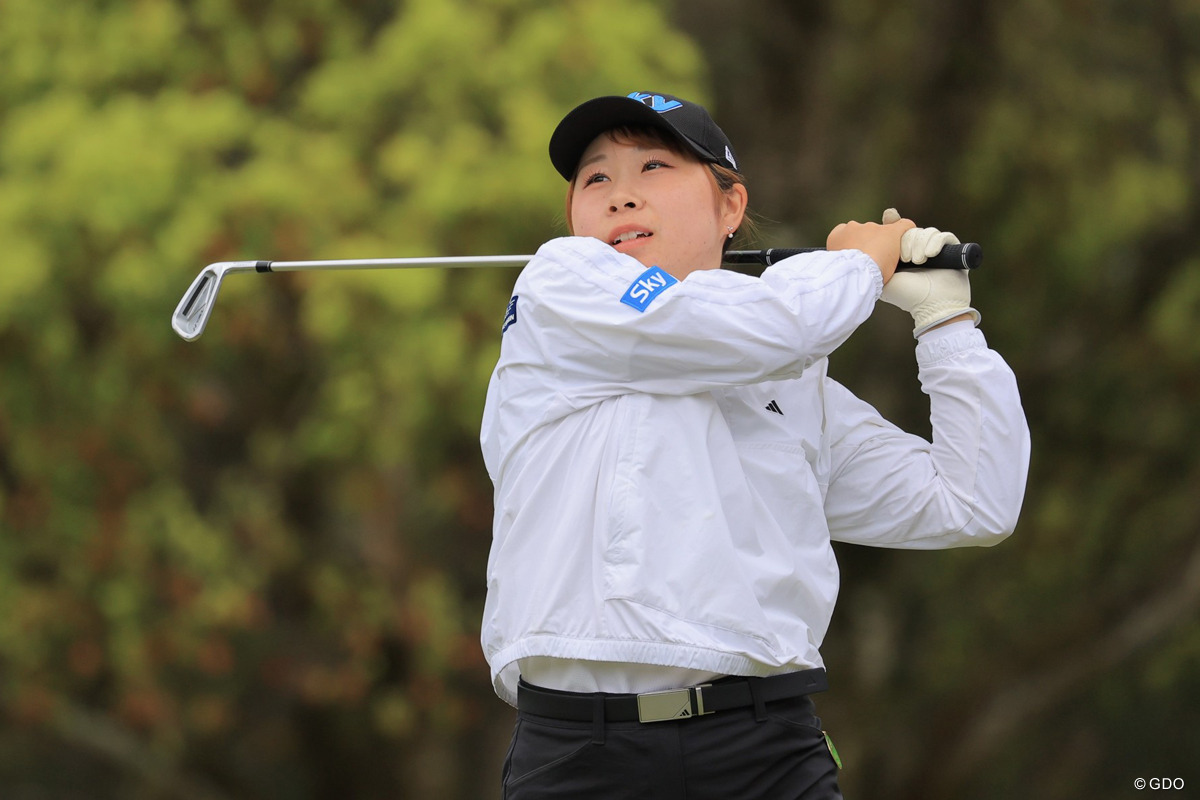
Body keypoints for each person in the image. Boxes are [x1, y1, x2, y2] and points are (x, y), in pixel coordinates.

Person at [479, 91, 1030, 799]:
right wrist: (859, 263)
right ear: (574, 218)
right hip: (582, 757)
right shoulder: (560, 287)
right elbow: (746, 328)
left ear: (730, 208)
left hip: (767, 753)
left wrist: (947, 321)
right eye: (596, 179)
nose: (621, 197)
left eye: (653, 166)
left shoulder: (793, 377)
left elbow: (973, 501)